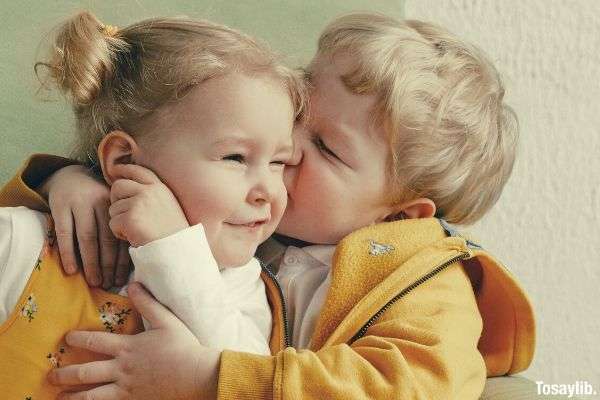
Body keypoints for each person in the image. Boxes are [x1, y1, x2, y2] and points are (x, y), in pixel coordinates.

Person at [0, 13, 536, 400]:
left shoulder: (427, 285)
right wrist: (72, 178)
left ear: (400, 215)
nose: (288, 142)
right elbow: (168, 165)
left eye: (325, 147)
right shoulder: (258, 219)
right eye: (299, 107)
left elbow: (411, 388)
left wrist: (212, 380)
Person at [0, 11, 307, 399]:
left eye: (280, 161)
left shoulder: (242, 286)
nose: (269, 190)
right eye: (235, 157)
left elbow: (246, 382)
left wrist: (175, 247)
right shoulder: (24, 244)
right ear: (124, 162)